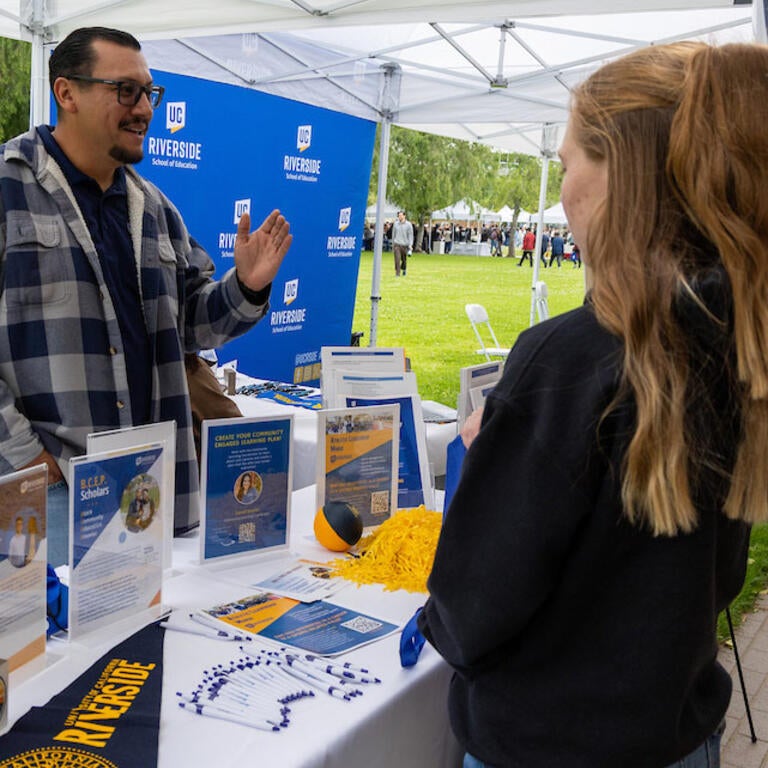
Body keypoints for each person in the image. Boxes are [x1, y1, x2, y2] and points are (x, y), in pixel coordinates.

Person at [418, 41, 768, 768]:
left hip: (547, 746)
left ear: (620, 175)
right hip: (678, 734)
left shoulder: (569, 359)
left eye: (570, 159)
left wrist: (491, 463)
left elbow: (468, 614)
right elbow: (718, 575)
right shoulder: (738, 338)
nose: (565, 187)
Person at [0, 27, 292, 567]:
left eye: (149, 93)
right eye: (125, 91)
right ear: (67, 93)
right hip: (52, 492)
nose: (144, 110)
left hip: (146, 490)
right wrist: (27, 457)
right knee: (56, 650)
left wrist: (246, 285)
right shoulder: (8, 188)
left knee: (146, 647)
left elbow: (192, 326)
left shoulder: (153, 206)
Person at [392, 210, 413, 276]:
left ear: (404, 216)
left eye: (401, 215)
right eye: (399, 216)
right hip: (397, 244)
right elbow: (393, 234)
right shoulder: (395, 224)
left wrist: (410, 245)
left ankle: (404, 269)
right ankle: (397, 273)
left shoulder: (409, 225)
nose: (400, 217)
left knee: (404, 260)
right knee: (397, 259)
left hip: (405, 245)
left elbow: (410, 235)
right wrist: (393, 244)